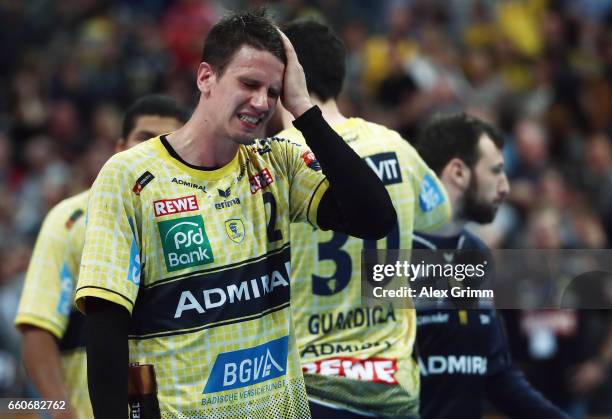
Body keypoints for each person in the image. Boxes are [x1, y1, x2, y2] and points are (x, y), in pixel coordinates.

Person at [74, 10, 396, 419]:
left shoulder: (277, 160)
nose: (261, 103)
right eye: (248, 84)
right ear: (206, 77)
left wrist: (304, 110)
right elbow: (105, 325)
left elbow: (375, 219)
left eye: (273, 91)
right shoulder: (129, 176)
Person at [276, 20, 451, 418]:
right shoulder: (395, 146)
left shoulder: (277, 160)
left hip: (310, 386)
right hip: (391, 385)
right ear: (340, 75)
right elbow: (440, 219)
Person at [14, 94, 189, 419]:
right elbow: (37, 331)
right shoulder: (70, 219)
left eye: (168, 142)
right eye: (144, 139)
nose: (153, 151)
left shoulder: (197, 216)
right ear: (120, 146)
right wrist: (62, 412)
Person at [413, 113, 569, 419]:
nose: (505, 188)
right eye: (495, 171)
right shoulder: (393, 251)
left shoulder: (475, 253)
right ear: (458, 172)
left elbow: (496, 374)